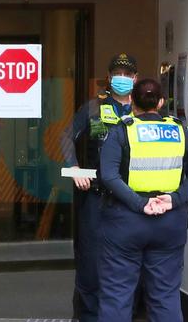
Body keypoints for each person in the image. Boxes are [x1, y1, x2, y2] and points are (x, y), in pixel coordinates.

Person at [97, 78, 188, 322]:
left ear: (132, 102)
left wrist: (140, 203)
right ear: (160, 102)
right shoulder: (180, 132)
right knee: (165, 296)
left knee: (117, 294)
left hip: (126, 223)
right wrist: (173, 200)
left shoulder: (122, 130)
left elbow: (108, 176)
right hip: (169, 223)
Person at [60, 53, 136, 321]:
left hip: (131, 200)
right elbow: (66, 136)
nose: (122, 79)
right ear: (109, 76)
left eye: (127, 75)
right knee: (91, 262)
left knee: (126, 263)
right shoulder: (94, 108)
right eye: (118, 74)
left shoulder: (141, 111)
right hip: (96, 196)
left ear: (135, 79)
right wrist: (74, 168)